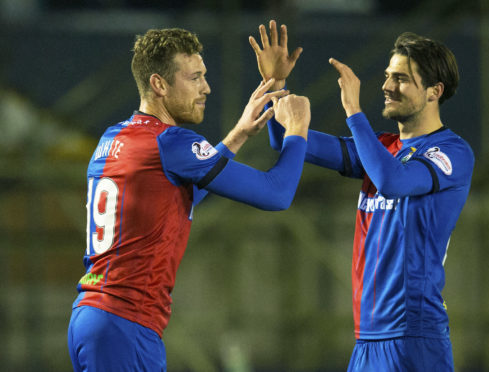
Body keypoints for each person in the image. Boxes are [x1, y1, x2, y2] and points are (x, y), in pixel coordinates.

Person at [67, 27, 311, 371]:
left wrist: (239, 134)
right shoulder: (172, 143)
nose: (206, 88)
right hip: (126, 323)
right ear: (159, 85)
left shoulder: (114, 137)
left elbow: (178, 195)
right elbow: (276, 193)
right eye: (195, 77)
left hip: (91, 318)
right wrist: (298, 130)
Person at [250, 20, 474, 371]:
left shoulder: (452, 152)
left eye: (401, 78)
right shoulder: (381, 147)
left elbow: (393, 181)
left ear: (434, 90)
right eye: (388, 75)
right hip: (367, 340)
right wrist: (277, 84)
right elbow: (289, 139)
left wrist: (353, 111)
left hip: (413, 337)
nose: (386, 86)